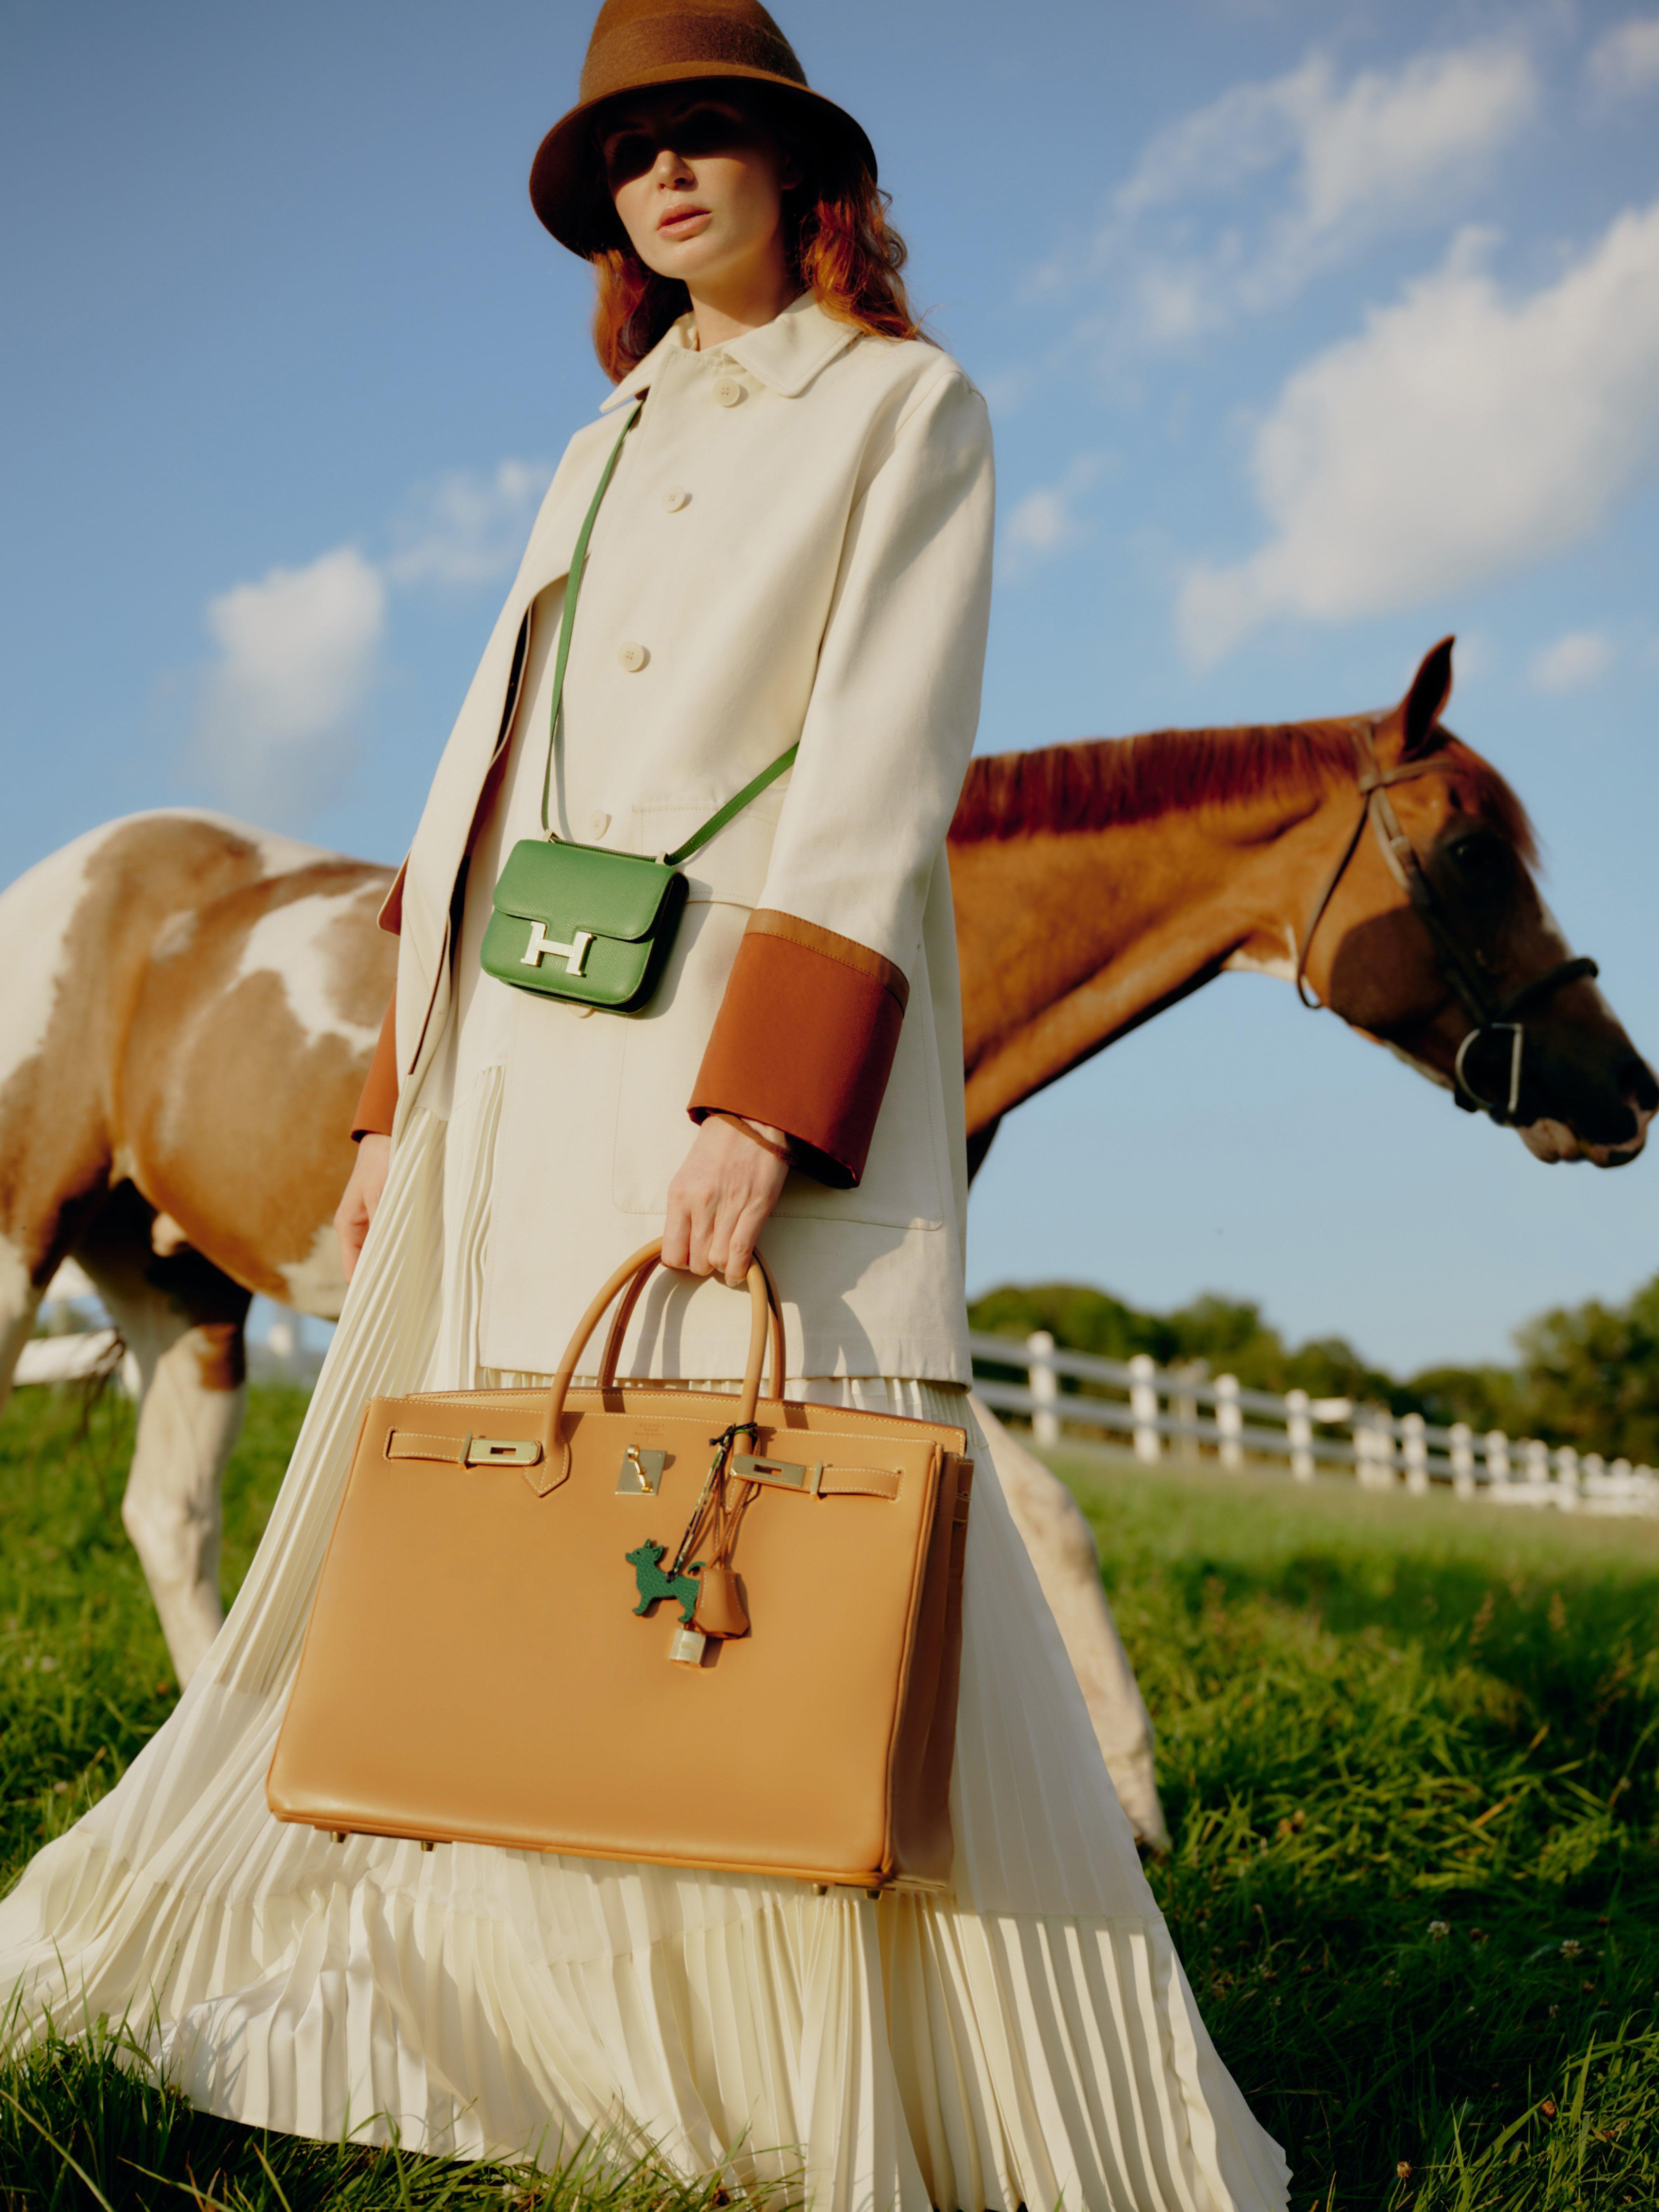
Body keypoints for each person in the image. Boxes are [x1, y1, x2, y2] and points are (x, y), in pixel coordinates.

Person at [0, 4, 1289, 2206]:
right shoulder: (601, 436)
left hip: (735, 1065)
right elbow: (479, 771)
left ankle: (835, 2056)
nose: (662, 179)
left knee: (802, 1542)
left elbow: (882, 769)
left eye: (707, 137)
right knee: (521, 1545)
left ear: (807, 171)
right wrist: (410, 1083)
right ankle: (545, 2025)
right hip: (520, 1068)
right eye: (626, 154)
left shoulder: (910, 410)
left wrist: (761, 1108)